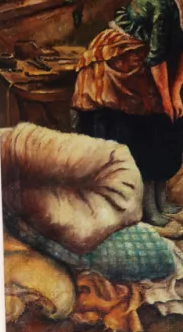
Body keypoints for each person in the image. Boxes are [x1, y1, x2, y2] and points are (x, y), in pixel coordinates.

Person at [72, 0, 183, 225]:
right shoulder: (163, 6)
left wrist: (176, 91)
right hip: (121, 58)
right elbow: (156, 57)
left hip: (151, 57)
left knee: (168, 125)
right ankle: (147, 205)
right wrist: (166, 99)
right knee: (149, 126)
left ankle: (160, 197)